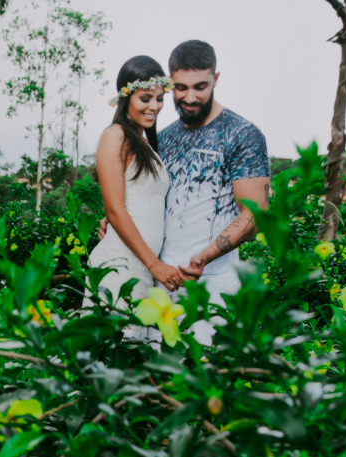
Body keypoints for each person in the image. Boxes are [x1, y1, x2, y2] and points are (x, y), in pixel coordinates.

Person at [159, 39, 271, 344]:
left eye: (200, 87)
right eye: (181, 88)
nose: (190, 97)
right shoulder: (162, 138)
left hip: (215, 284)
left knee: (208, 369)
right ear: (170, 83)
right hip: (160, 281)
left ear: (216, 79)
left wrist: (205, 256)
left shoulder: (243, 134)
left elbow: (255, 213)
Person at [83, 55, 183, 340]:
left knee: (134, 353)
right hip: (122, 265)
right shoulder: (115, 135)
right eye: (145, 99)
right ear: (125, 98)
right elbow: (115, 210)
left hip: (141, 265)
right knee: (113, 350)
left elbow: (138, 200)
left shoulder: (145, 143)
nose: (154, 106)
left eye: (160, 99)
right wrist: (155, 265)